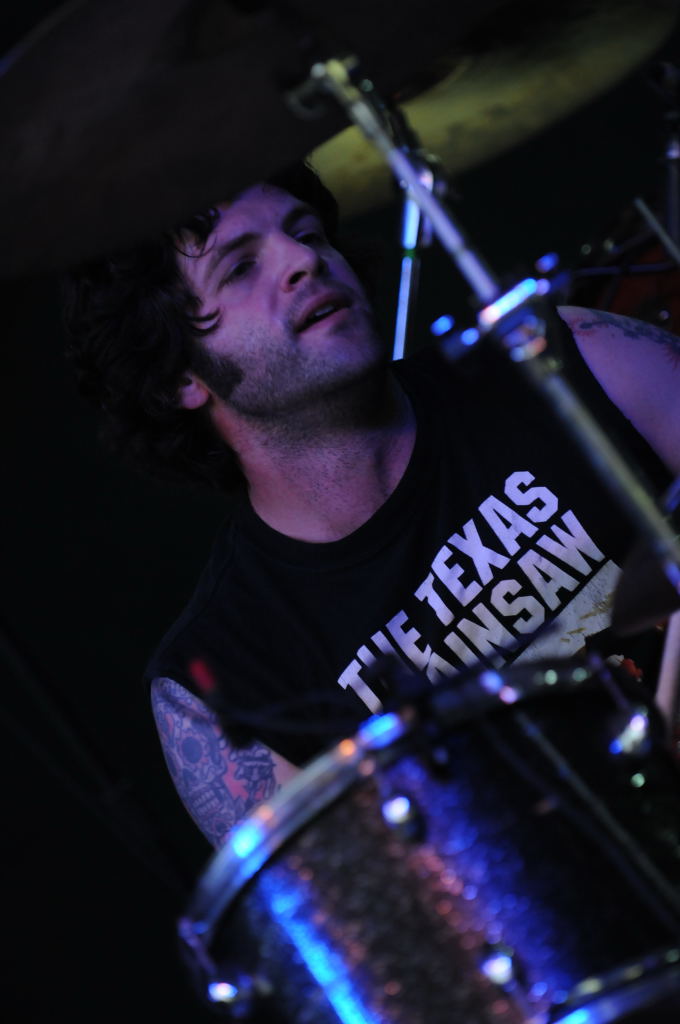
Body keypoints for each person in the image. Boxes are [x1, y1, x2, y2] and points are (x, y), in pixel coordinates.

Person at [63, 161, 680, 850]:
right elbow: (381, 913)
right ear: (179, 376)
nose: (304, 259)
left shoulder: (567, 358)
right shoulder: (217, 686)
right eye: (240, 267)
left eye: (307, 233)